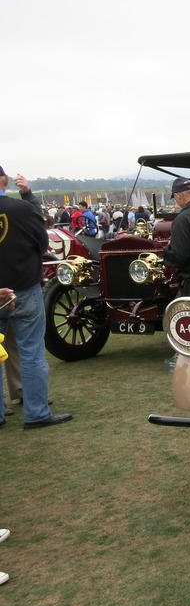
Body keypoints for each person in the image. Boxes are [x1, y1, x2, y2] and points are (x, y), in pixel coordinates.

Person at [0, 166, 73, 429]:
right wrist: (28, 194)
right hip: (23, 287)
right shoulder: (21, 209)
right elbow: (43, 244)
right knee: (31, 352)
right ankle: (36, 412)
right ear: (6, 181)